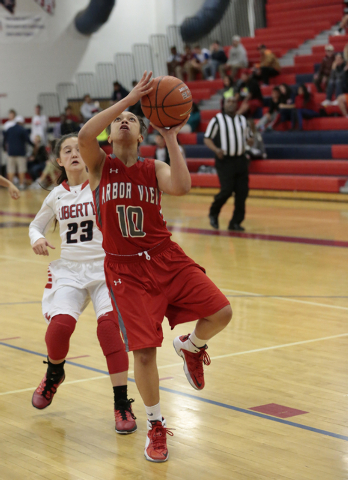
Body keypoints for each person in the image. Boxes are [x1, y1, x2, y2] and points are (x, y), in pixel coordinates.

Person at [78, 71, 232, 463]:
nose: (124, 122)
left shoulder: (154, 167)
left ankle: (191, 346)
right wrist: (129, 101)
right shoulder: (100, 167)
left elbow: (181, 187)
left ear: (142, 135)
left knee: (222, 312)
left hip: (166, 258)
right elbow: (83, 136)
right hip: (126, 271)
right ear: (109, 137)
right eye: (117, 122)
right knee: (144, 353)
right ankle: (156, 425)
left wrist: (170, 137)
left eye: (131, 120)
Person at [28, 133, 137, 435]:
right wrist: (37, 238)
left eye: (79, 148)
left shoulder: (104, 184)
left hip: (105, 268)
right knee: (60, 327)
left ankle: (121, 403)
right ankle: (54, 373)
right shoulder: (56, 195)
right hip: (70, 271)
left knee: (108, 329)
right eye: (67, 150)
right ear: (59, 160)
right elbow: (36, 225)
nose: (75, 153)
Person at [204, 96, 253, 231]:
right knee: (226, 190)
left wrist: (251, 141)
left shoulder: (243, 120)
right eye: (228, 102)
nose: (231, 104)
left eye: (233, 101)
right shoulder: (217, 120)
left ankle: (235, 222)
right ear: (224, 104)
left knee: (242, 192)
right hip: (225, 161)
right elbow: (207, 139)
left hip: (241, 160)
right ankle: (214, 212)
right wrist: (216, 149)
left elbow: (250, 138)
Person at [3, 115, 33, 190]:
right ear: (22, 122)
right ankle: (21, 185)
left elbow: (4, 141)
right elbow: (27, 140)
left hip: (11, 153)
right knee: (21, 169)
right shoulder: (22, 129)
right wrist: (34, 145)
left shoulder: (9, 129)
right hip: (21, 153)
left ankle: (10, 186)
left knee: (11, 170)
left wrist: (5, 150)